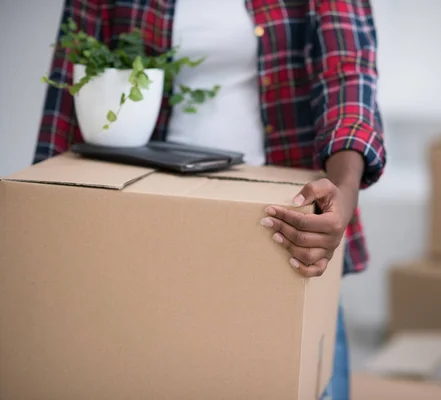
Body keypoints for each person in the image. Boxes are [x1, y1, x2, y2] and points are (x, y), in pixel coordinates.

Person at [35, 0, 386, 398]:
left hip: (285, 220)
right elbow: (67, 97)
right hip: (149, 224)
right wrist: (47, 228)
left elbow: (348, 74)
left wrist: (342, 189)